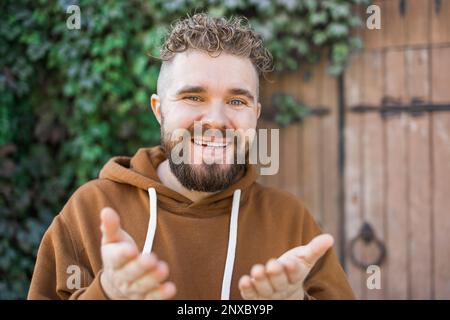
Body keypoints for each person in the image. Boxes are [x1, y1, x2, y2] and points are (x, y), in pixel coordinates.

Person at [28, 13, 354, 300]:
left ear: (255, 115)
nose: (215, 120)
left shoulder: (291, 222)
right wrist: (108, 294)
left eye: (237, 102)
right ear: (159, 110)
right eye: (193, 96)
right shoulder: (91, 211)